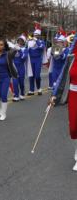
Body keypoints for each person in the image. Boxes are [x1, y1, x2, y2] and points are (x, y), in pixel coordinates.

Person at [50, 37, 77, 171]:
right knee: (73, 128)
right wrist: (55, 94)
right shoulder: (72, 57)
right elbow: (63, 77)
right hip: (73, 95)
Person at [0, 39, 18, 121]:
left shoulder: (8, 54)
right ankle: (0, 108)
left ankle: (3, 113)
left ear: (4, 46)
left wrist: (11, 45)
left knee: (3, 95)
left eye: (1, 45)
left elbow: (15, 50)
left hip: (5, 77)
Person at [27, 25, 46, 96]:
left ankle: (39, 88)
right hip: (31, 60)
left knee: (37, 76)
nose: (35, 36)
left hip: (38, 59)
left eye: (37, 35)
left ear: (39, 35)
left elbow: (41, 48)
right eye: (35, 35)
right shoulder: (30, 42)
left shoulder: (41, 42)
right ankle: (31, 90)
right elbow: (27, 50)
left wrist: (36, 40)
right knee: (31, 75)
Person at [12, 35, 28, 102]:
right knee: (15, 82)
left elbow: (24, 58)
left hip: (21, 67)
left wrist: (20, 51)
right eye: (19, 40)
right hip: (14, 67)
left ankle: (22, 93)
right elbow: (10, 57)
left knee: (21, 83)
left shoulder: (25, 49)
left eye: (21, 40)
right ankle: (16, 95)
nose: (20, 42)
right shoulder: (14, 48)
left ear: (23, 42)